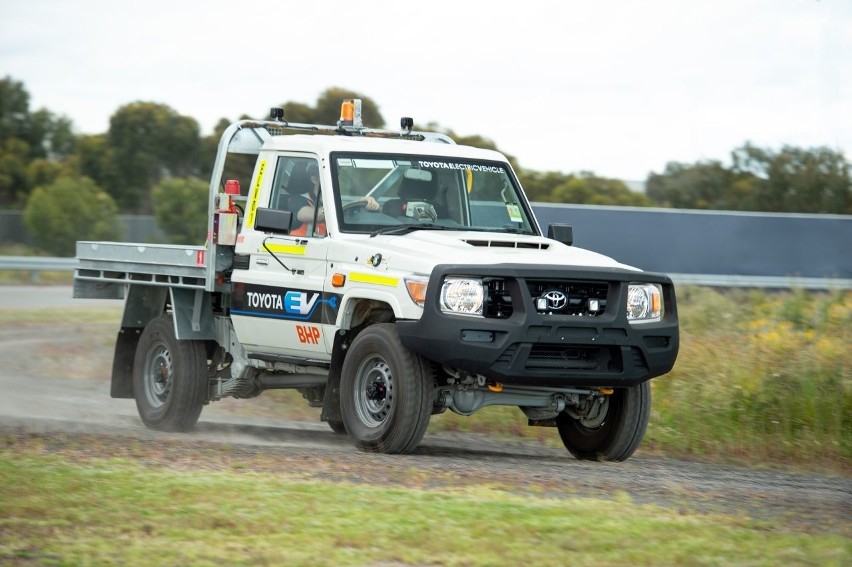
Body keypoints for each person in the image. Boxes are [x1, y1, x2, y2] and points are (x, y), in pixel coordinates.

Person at [290, 163, 379, 236]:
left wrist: (367, 203)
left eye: (337, 175)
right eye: (330, 175)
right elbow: (316, 216)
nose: (335, 179)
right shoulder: (297, 200)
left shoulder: (331, 201)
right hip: (299, 251)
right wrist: (350, 205)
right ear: (314, 179)